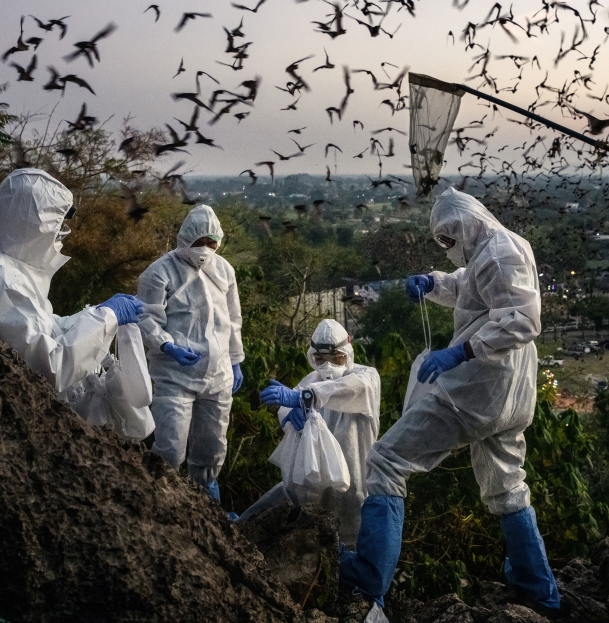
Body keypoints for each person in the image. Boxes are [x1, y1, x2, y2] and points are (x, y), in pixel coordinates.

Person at [339, 187, 560, 615]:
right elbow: (471, 287)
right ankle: (540, 591)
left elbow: (523, 319)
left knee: (386, 460)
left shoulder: (496, 251)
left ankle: (368, 576)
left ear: (465, 225)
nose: (446, 248)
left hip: (478, 392)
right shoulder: (498, 246)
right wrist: (433, 283)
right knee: (507, 485)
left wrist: (460, 352)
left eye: (447, 238)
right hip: (514, 397)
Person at [0, 168, 143, 397]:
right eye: (58, 226)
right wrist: (106, 319)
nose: (61, 235)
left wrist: (95, 315)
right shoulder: (1, 281)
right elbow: (51, 368)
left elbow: (41, 327)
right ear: (34, 226)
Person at [135, 204, 244, 501]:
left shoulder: (224, 270)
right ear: (185, 240)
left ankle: (207, 500)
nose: (206, 249)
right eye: (200, 243)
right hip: (174, 375)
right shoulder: (159, 273)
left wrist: (235, 361)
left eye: (212, 243)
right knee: (171, 446)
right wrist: (167, 345)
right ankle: (161, 499)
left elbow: (232, 320)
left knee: (212, 445)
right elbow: (146, 318)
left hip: (218, 374)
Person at [242, 319, 380, 548]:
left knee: (349, 546)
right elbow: (290, 404)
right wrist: (289, 415)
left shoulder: (366, 377)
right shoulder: (310, 382)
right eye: (320, 359)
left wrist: (304, 398)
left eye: (336, 358)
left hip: (355, 486)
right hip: (315, 483)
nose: (327, 366)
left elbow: (342, 390)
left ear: (348, 353)